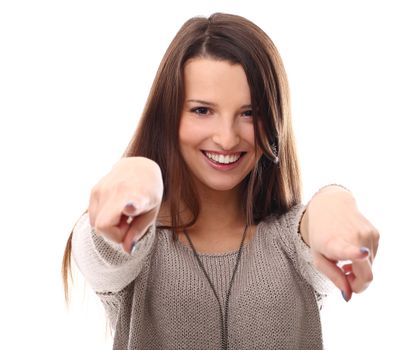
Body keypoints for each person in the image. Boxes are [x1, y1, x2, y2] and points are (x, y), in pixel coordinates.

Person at [62, 12, 379, 350]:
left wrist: (334, 200)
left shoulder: (292, 245)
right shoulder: (137, 244)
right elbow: (98, 249)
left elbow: (312, 229)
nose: (227, 139)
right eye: (202, 110)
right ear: (168, 115)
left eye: (249, 113)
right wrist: (139, 173)